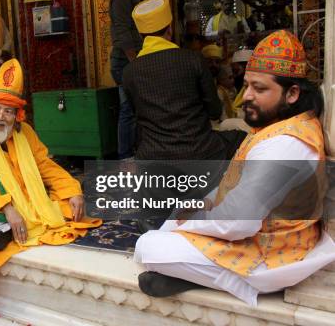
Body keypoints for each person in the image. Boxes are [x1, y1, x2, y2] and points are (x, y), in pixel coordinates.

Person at [134, 30, 335, 306]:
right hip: (264, 233)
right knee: (174, 219)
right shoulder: (280, 126)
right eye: (247, 85)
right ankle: (196, 273)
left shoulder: (285, 143)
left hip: (273, 255)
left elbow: (237, 222)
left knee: (148, 246)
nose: (246, 97)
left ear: (292, 93)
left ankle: (232, 282)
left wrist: (192, 220)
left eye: (260, 89)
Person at [0, 59, 101, 317]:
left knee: (68, 206)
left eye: (8, 111)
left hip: (28, 203)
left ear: (17, 116)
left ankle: (11, 229)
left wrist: (72, 189)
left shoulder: (24, 132)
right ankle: (6, 228)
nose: (0, 117)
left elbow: (46, 166)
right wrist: (6, 206)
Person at [122, 0, 246, 161]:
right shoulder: (193, 59)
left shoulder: (129, 72)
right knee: (241, 137)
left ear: (141, 35)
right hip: (200, 151)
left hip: (152, 157)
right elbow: (215, 111)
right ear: (170, 29)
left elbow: (137, 116)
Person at [109, 0, 152, 159]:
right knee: (128, 109)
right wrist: (134, 62)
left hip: (132, 60)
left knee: (135, 109)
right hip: (125, 61)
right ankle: (125, 158)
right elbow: (122, 31)